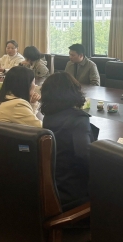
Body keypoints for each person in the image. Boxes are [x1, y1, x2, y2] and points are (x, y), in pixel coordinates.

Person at [40, 72, 98, 209]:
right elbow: (85, 156)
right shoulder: (78, 119)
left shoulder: (48, 117)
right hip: (74, 192)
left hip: (55, 186)